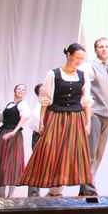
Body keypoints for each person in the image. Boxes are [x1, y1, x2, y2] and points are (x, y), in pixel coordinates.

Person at [21, 43, 93, 196]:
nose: (79, 61)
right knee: (51, 152)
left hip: (75, 118)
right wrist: (41, 121)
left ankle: (58, 191)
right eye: (77, 57)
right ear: (68, 55)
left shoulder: (83, 76)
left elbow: (86, 101)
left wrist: (88, 122)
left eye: (82, 58)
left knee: (70, 153)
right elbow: (46, 100)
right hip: (56, 117)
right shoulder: (53, 74)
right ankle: (51, 190)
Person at [79, 37, 108, 196]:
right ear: (95, 49)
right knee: (90, 153)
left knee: (98, 154)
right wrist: (86, 106)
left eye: (107, 46)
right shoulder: (88, 66)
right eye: (100, 47)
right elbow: (81, 87)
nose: (104, 49)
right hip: (94, 114)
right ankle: (90, 191)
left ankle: (84, 190)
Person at [0, 84, 30, 197]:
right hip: (3, 134)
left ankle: (10, 195)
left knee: (13, 163)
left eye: (23, 89)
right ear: (15, 90)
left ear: (25, 93)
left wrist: (14, 131)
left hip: (14, 136)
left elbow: (24, 117)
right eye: (18, 89)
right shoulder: (7, 105)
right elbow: (0, 118)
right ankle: (1, 194)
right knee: (2, 162)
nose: (20, 90)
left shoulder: (23, 104)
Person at [26, 83, 43, 197]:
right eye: (42, 90)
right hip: (39, 135)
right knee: (36, 164)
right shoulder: (39, 104)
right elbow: (34, 123)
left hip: (50, 135)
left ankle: (55, 193)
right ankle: (33, 194)